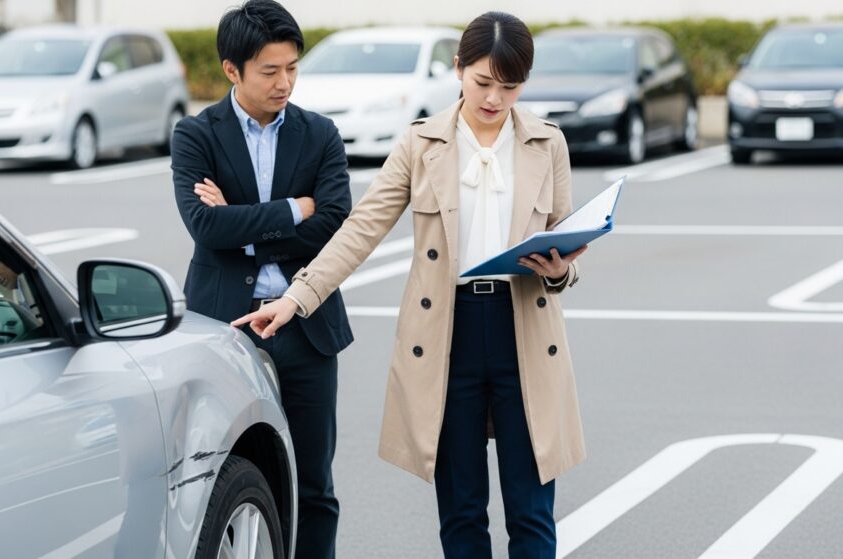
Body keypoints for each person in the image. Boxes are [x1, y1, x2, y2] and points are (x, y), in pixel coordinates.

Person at [233, 12, 586, 558]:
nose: (495, 99)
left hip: (527, 330)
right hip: (449, 332)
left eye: (510, 87)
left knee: (532, 510)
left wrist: (561, 269)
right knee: (462, 509)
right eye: (483, 82)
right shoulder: (422, 144)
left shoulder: (546, 144)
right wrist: (296, 298)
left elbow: (567, 241)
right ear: (458, 69)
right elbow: (361, 229)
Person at [170, 1, 353, 556]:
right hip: (227, 327)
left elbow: (332, 223)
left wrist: (242, 219)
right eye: (270, 71)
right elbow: (204, 224)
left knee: (315, 483)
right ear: (232, 70)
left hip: (307, 324)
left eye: (292, 68)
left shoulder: (319, 134)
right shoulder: (195, 134)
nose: (285, 83)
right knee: (224, 473)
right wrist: (291, 208)